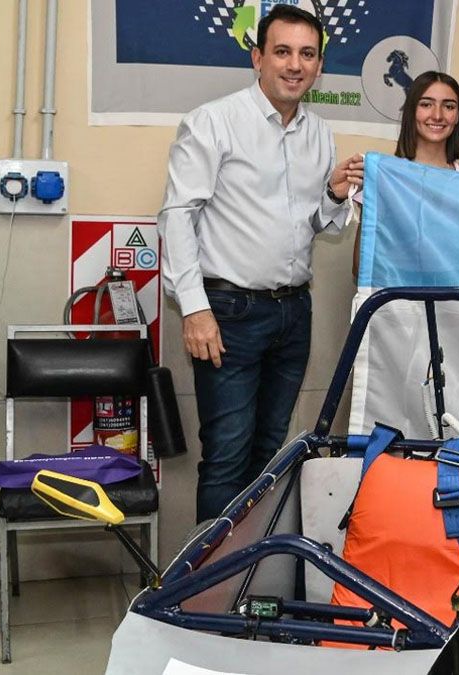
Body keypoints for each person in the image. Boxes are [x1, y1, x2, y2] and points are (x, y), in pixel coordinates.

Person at [159, 5, 360, 522]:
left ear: (319, 67)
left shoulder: (318, 133)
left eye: (307, 54)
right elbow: (177, 216)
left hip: (293, 314)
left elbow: (320, 224)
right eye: (283, 52)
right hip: (227, 313)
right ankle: (209, 593)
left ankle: (254, 580)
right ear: (258, 57)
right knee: (226, 456)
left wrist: (336, 196)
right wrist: (195, 309)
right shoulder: (215, 121)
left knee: (270, 454)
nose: (295, 65)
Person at [352, 70, 459, 278]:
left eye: (449, 106)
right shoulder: (383, 180)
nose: (438, 115)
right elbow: (361, 266)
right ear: (411, 111)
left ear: (457, 116)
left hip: (451, 308)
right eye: (426, 104)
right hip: (395, 307)